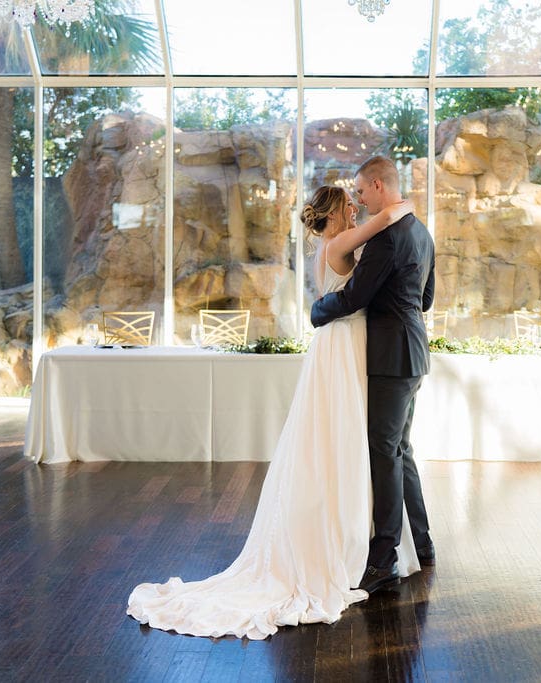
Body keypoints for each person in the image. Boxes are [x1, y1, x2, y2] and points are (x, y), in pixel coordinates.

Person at [126, 185, 418, 640]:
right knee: (349, 435)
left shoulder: (331, 244)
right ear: (335, 213)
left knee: (350, 436)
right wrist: (403, 204)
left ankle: (361, 534)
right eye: (349, 202)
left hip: (343, 345)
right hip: (343, 346)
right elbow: (381, 223)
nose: (356, 206)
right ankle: (349, 539)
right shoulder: (340, 242)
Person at [311, 156, 436, 595]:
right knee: (400, 449)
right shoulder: (421, 232)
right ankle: (421, 543)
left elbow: (354, 296)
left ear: (379, 185)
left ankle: (383, 558)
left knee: (384, 453)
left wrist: (315, 312)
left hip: (390, 358)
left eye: (362, 192)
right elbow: (427, 300)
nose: (359, 201)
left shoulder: (387, 237)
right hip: (414, 355)